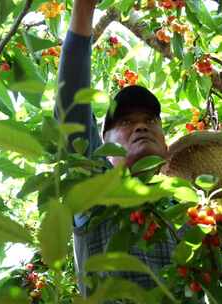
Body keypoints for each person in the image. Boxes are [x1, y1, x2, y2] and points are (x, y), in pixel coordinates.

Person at [55, 0, 177, 296]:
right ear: (103, 146)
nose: (141, 126)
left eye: (150, 120)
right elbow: (71, 105)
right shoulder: (97, 190)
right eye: (125, 122)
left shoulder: (186, 213)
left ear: (166, 145)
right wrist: (83, 9)